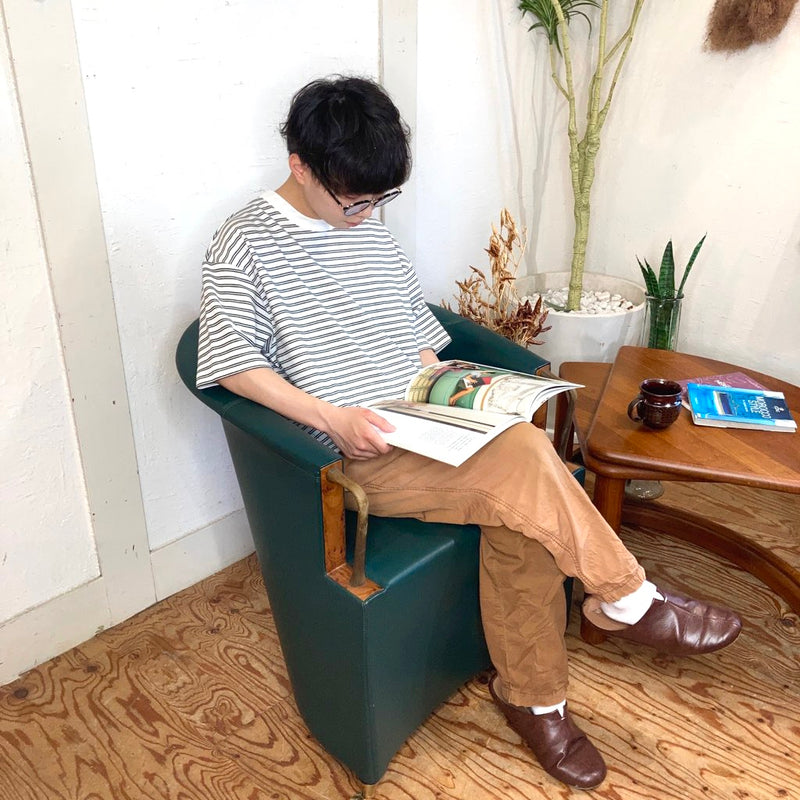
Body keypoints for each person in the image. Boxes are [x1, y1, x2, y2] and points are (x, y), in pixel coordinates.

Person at [196, 75, 742, 790]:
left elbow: (413, 328)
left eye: (380, 199)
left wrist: (445, 376)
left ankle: (535, 699)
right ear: (300, 165)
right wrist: (333, 419)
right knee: (527, 459)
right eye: (354, 201)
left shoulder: (367, 225)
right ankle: (625, 600)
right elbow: (231, 363)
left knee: (523, 498)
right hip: (361, 447)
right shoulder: (244, 242)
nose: (366, 215)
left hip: (426, 417)